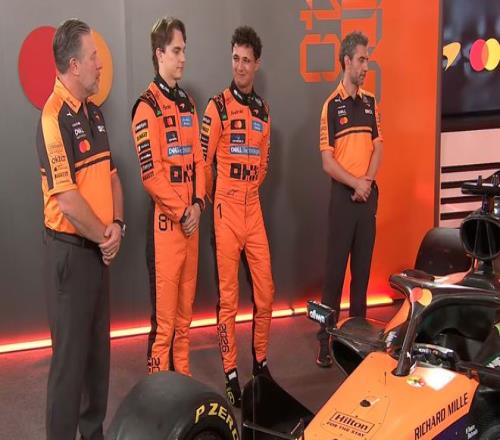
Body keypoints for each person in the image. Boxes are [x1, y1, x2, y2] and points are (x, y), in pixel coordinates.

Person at [36, 19, 124, 440]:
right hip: (71, 256)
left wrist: (117, 225)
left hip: (98, 252)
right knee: (69, 367)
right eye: (94, 57)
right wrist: (105, 237)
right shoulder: (52, 118)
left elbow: (112, 177)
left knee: (97, 361)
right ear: (73, 65)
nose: (100, 64)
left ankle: (93, 435)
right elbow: (67, 200)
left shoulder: (95, 112)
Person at [201, 26, 274, 407]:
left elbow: (263, 164)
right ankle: (231, 372)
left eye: (247, 60)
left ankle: (260, 363)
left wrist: (247, 190)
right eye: (235, 59)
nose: (240, 66)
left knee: (266, 294)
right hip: (226, 210)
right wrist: (221, 198)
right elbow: (203, 162)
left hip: (253, 208)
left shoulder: (264, 110)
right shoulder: (216, 106)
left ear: (257, 63)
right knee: (228, 300)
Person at [131, 17, 205, 376]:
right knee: (164, 328)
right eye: (176, 51)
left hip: (191, 225)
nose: (183, 58)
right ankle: (159, 395)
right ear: (159, 54)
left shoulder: (188, 104)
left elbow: (199, 161)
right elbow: (151, 175)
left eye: (184, 50)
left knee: (185, 320)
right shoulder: (146, 106)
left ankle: (183, 387)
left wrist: (199, 205)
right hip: (166, 230)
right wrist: (183, 211)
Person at [316, 31, 383, 367]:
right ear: (346, 61)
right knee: (334, 276)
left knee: (362, 275)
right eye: (361, 59)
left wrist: (366, 182)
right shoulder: (331, 105)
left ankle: (358, 343)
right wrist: (355, 183)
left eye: (367, 59)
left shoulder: (371, 102)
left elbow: (378, 147)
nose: (366, 66)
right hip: (343, 199)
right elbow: (327, 162)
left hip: (366, 198)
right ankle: (324, 343)